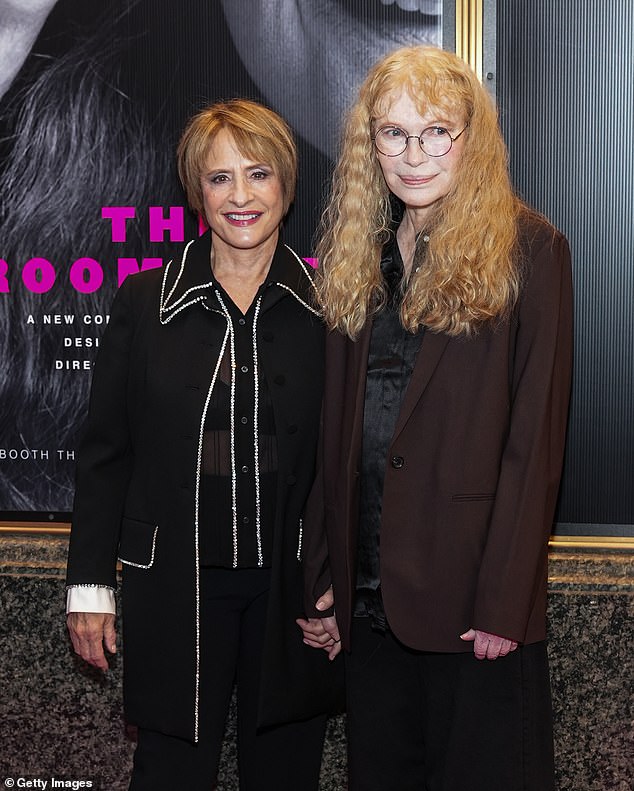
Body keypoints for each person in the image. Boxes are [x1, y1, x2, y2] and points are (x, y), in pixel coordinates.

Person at [297, 45, 573, 791]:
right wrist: (324, 573)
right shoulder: (359, 252)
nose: (413, 154)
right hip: (370, 605)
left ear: (471, 136)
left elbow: (534, 445)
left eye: (436, 132)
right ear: (370, 143)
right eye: (393, 133)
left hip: (473, 610)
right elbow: (339, 430)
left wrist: (504, 602)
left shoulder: (531, 249)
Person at [66, 98, 339, 791]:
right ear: (196, 192)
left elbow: (351, 465)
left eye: (258, 174)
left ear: (287, 184)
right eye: (219, 179)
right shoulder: (143, 301)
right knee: (169, 774)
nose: (241, 196)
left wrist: (340, 581)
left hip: (293, 591)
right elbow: (105, 454)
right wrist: (89, 586)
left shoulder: (333, 309)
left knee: (284, 774)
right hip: (177, 588)